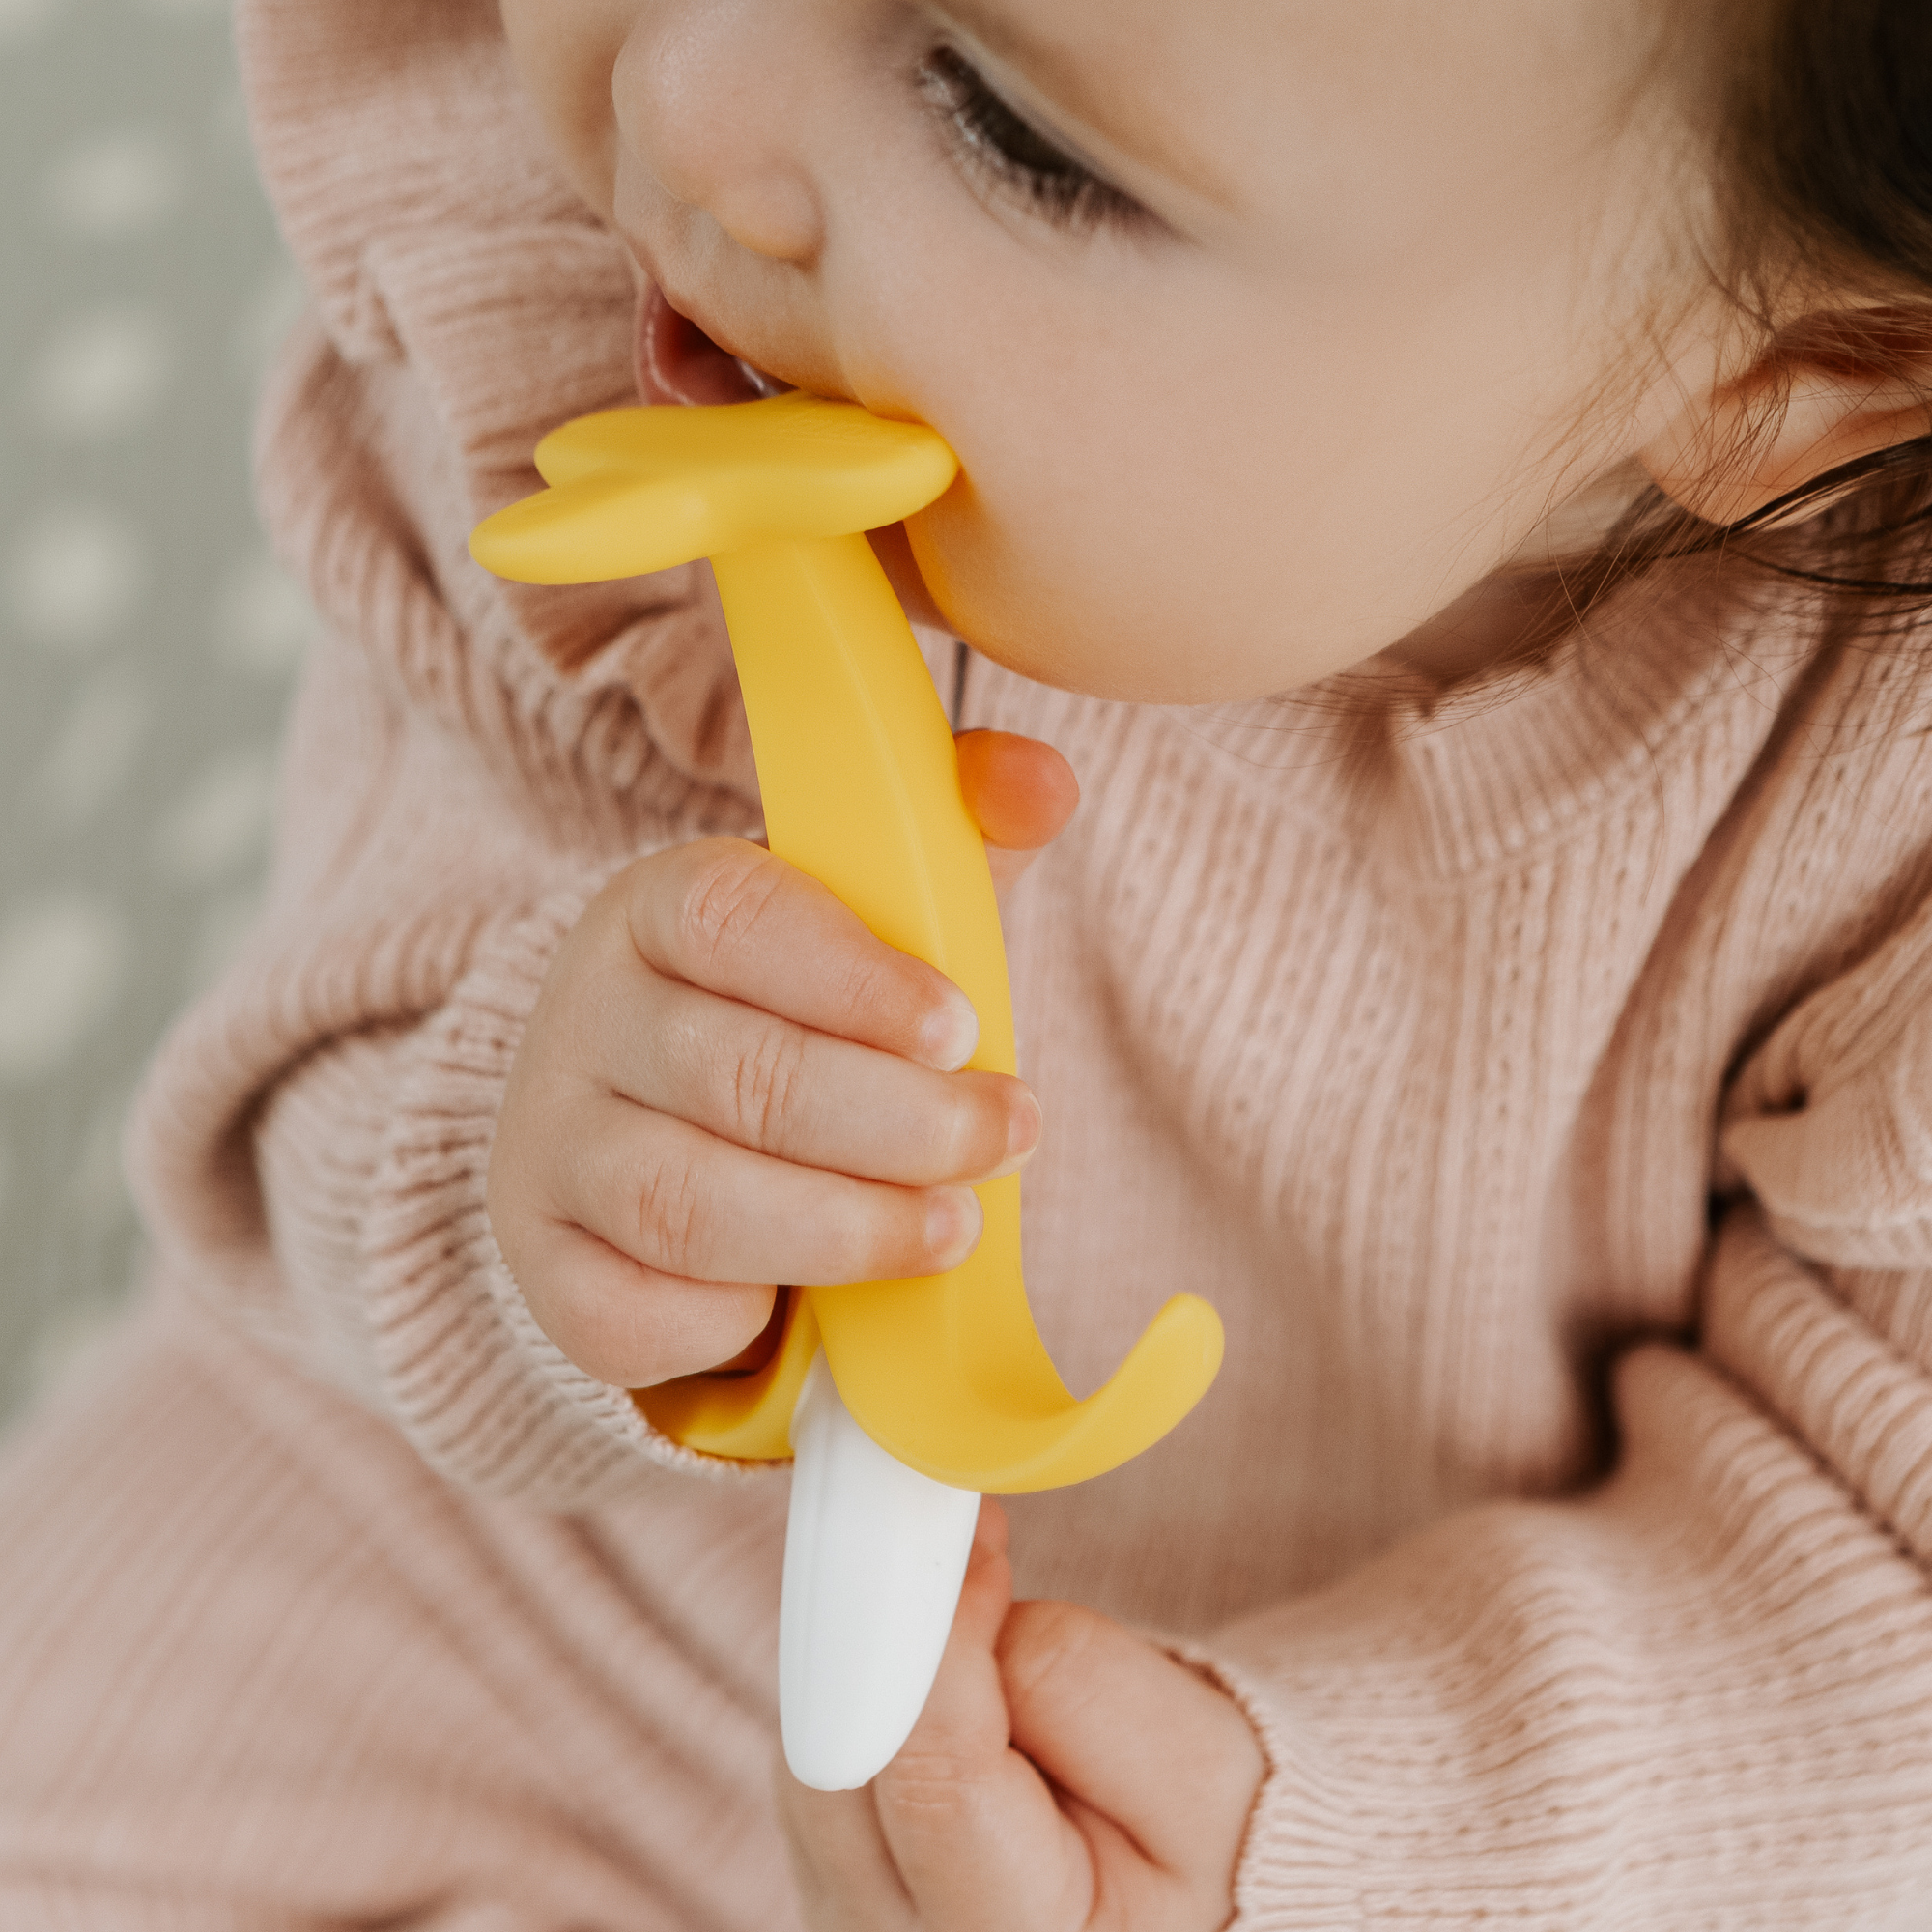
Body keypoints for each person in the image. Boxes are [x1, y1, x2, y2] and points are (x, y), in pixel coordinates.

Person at [4, 0, 1931, 1922]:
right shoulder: (596, 354)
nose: (683, 99)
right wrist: (543, 1176)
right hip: (516, 1586)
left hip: (1359, 1750)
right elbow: (329, 1045)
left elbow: (1882, 1568)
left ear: (1794, 363)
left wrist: (1312, 1822)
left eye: (1006, 124)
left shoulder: (1882, 789)